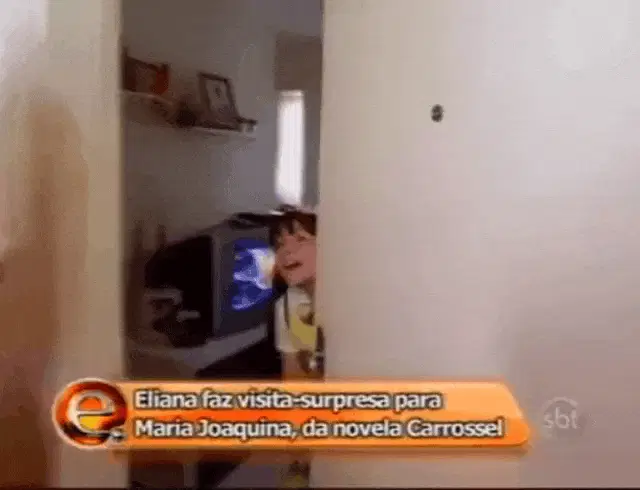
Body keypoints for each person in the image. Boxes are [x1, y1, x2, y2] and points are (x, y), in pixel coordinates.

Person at [270, 207, 323, 487]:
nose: (287, 251)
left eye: (301, 239)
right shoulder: (287, 306)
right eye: (279, 244)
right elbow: (293, 381)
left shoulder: (349, 297)